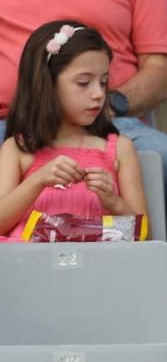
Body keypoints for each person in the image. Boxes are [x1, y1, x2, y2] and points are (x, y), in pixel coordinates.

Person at [0, 0, 167, 245]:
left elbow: (162, 72)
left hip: (110, 121)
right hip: (8, 118)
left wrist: (104, 103)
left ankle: (149, 278)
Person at [0, 20, 146, 240]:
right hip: (29, 269)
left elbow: (145, 236)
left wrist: (114, 202)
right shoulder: (18, 148)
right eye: (83, 83)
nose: (99, 93)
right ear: (47, 84)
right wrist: (37, 180)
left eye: (104, 82)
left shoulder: (119, 149)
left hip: (101, 268)